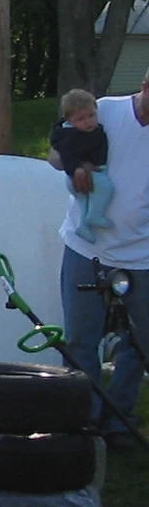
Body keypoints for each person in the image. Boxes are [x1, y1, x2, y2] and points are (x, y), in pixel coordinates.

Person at [48, 73, 149, 450]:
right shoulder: (102, 111)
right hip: (85, 248)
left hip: (143, 254)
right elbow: (54, 152)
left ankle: (119, 421)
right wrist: (74, 167)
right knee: (81, 339)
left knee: (139, 342)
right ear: (145, 86)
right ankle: (83, 423)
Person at [50, 88, 113, 242]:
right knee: (105, 188)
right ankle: (95, 215)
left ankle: (83, 226)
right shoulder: (70, 136)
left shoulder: (87, 132)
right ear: (69, 120)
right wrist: (76, 169)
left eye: (92, 115)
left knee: (84, 202)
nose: (88, 121)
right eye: (81, 119)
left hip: (82, 174)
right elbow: (66, 155)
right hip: (78, 175)